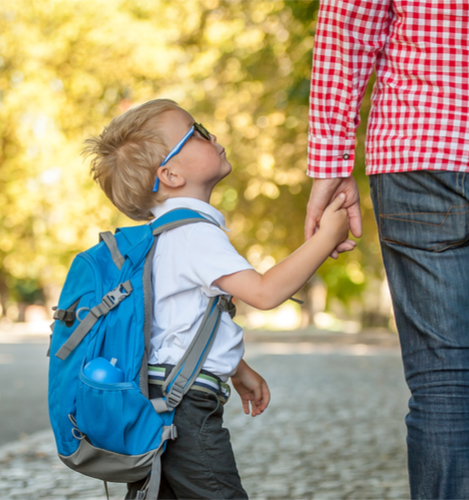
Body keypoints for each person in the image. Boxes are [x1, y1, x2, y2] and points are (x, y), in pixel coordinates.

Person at [84, 98, 352, 499]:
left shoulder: (164, 237)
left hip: (158, 401)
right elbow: (264, 292)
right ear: (171, 174)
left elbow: (179, 327)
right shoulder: (194, 234)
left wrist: (238, 371)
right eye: (197, 133)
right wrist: (326, 237)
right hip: (184, 411)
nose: (211, 137)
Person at [304, 1, 469, 498]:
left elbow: (348, 22)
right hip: (425, 157)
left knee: (443, 387)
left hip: (424, 146)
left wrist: (330, 162)